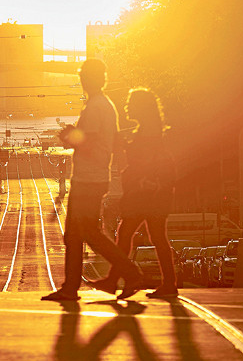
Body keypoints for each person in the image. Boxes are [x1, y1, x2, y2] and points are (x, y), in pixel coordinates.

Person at [41, 59, 144, 302]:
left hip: (88, 178)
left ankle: (130, 273)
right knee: (75, 235)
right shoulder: (107, 106)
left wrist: (68, 136)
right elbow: (109, 140)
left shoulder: (95, 107)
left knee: (87, 231)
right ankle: (71, 287)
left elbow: (89, 141)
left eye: (84, 77)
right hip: (96, 176)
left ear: (85, 79)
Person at [88, 88, 178, 298]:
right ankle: (166, 283)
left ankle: (122, 279)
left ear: (141, 107)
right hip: (152, 193)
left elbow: (145, 159)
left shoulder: (148, 132)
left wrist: (124, 147)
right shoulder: (149, 129)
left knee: (129, 233)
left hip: (146, 193)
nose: (127, 106)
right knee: (150, 236)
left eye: (131, 103)